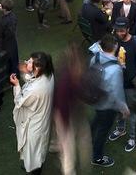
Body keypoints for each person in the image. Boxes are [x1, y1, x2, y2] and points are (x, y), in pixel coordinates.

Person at [11, 52, 55, 175]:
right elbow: (33, 78)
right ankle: (31, 167)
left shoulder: (34, 90)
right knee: (37, 151)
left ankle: (34, 171)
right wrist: (28, 71)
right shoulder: (49, 75)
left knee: (34, 153)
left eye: (30, 61)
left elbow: (19, 101)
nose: (26, 62)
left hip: (34, 125)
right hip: (42, 120)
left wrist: (16, 85)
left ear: (38, 67)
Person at [89, 34, 129, 168]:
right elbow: (116, 92)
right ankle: (97, 157)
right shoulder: (115, 69)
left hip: (95, 98)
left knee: (97, 119)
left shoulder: (95, 57)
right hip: (107, 105)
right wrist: (123, 107)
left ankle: (89, 136)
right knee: (103, 131)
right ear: (116, 47)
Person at [53, 43, 91, 175]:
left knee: (83, 138)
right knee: (67, 149)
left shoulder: (78, 73)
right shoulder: (65, 79)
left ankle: (83, 164)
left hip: (75, 111)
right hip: (64, 114)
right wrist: (65, 125)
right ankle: (69, 170)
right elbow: (62, 104)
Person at [109, 17, 136, 153]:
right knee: (119, 108)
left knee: (132, 113)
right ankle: (120, 129)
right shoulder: (115, 39)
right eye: (117, 30)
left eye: (122, 31)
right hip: (118, 82)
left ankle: (133, 137)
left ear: (128, 29)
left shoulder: (135, 42)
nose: (119, 33)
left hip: (131, 84)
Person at [0, 0, 19, 77]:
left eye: (1, 5)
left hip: (7, 42)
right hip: (12, 41)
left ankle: (13, 76)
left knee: (10, 59)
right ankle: (14, 74)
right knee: (14, 58)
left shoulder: (4, 20)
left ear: (4, 8)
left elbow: (6, 32)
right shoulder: (13, 16)